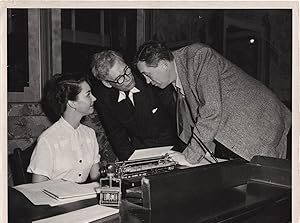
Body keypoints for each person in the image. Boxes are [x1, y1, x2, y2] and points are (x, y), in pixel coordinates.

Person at [135, 41, 291, 165]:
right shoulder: (177, 77)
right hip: (244, 130)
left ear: (163, 64)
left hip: (262, 122)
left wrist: (190, 157)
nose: (147, 82)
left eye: (147, 74)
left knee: (268, 187)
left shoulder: (198, 56)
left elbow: (211, 111)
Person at [90, 50, 184, 161]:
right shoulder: (105, 101)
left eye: (126, 70)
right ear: (107, 83)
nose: (128, 78)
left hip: (173, 149)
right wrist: (131, 163)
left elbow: (177, 120)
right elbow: (118, 138)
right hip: (140, 154)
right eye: (120, 79)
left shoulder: (151, 80)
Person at [27, 73, 102, 183]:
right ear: (72, 103)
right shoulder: (48, 139)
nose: (94, 98)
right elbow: (37, 189)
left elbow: (96, 177)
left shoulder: (89, 134)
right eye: (88, 95)